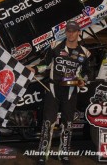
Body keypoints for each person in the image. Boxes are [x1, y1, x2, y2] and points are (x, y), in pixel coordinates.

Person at [27, 20, 91, 165]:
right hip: (53, 89)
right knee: (47, 122)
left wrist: (83, 80)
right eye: (68, 30)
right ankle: (43, 154)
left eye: (74, 31)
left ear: (78, 32)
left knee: (67, 123)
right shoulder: (55, 46)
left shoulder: (85, 53)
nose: (71, 33)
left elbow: (88, 72)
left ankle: (64, 154)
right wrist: (35, 69)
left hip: (70, 91)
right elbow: (45, 63)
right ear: (65, 32)